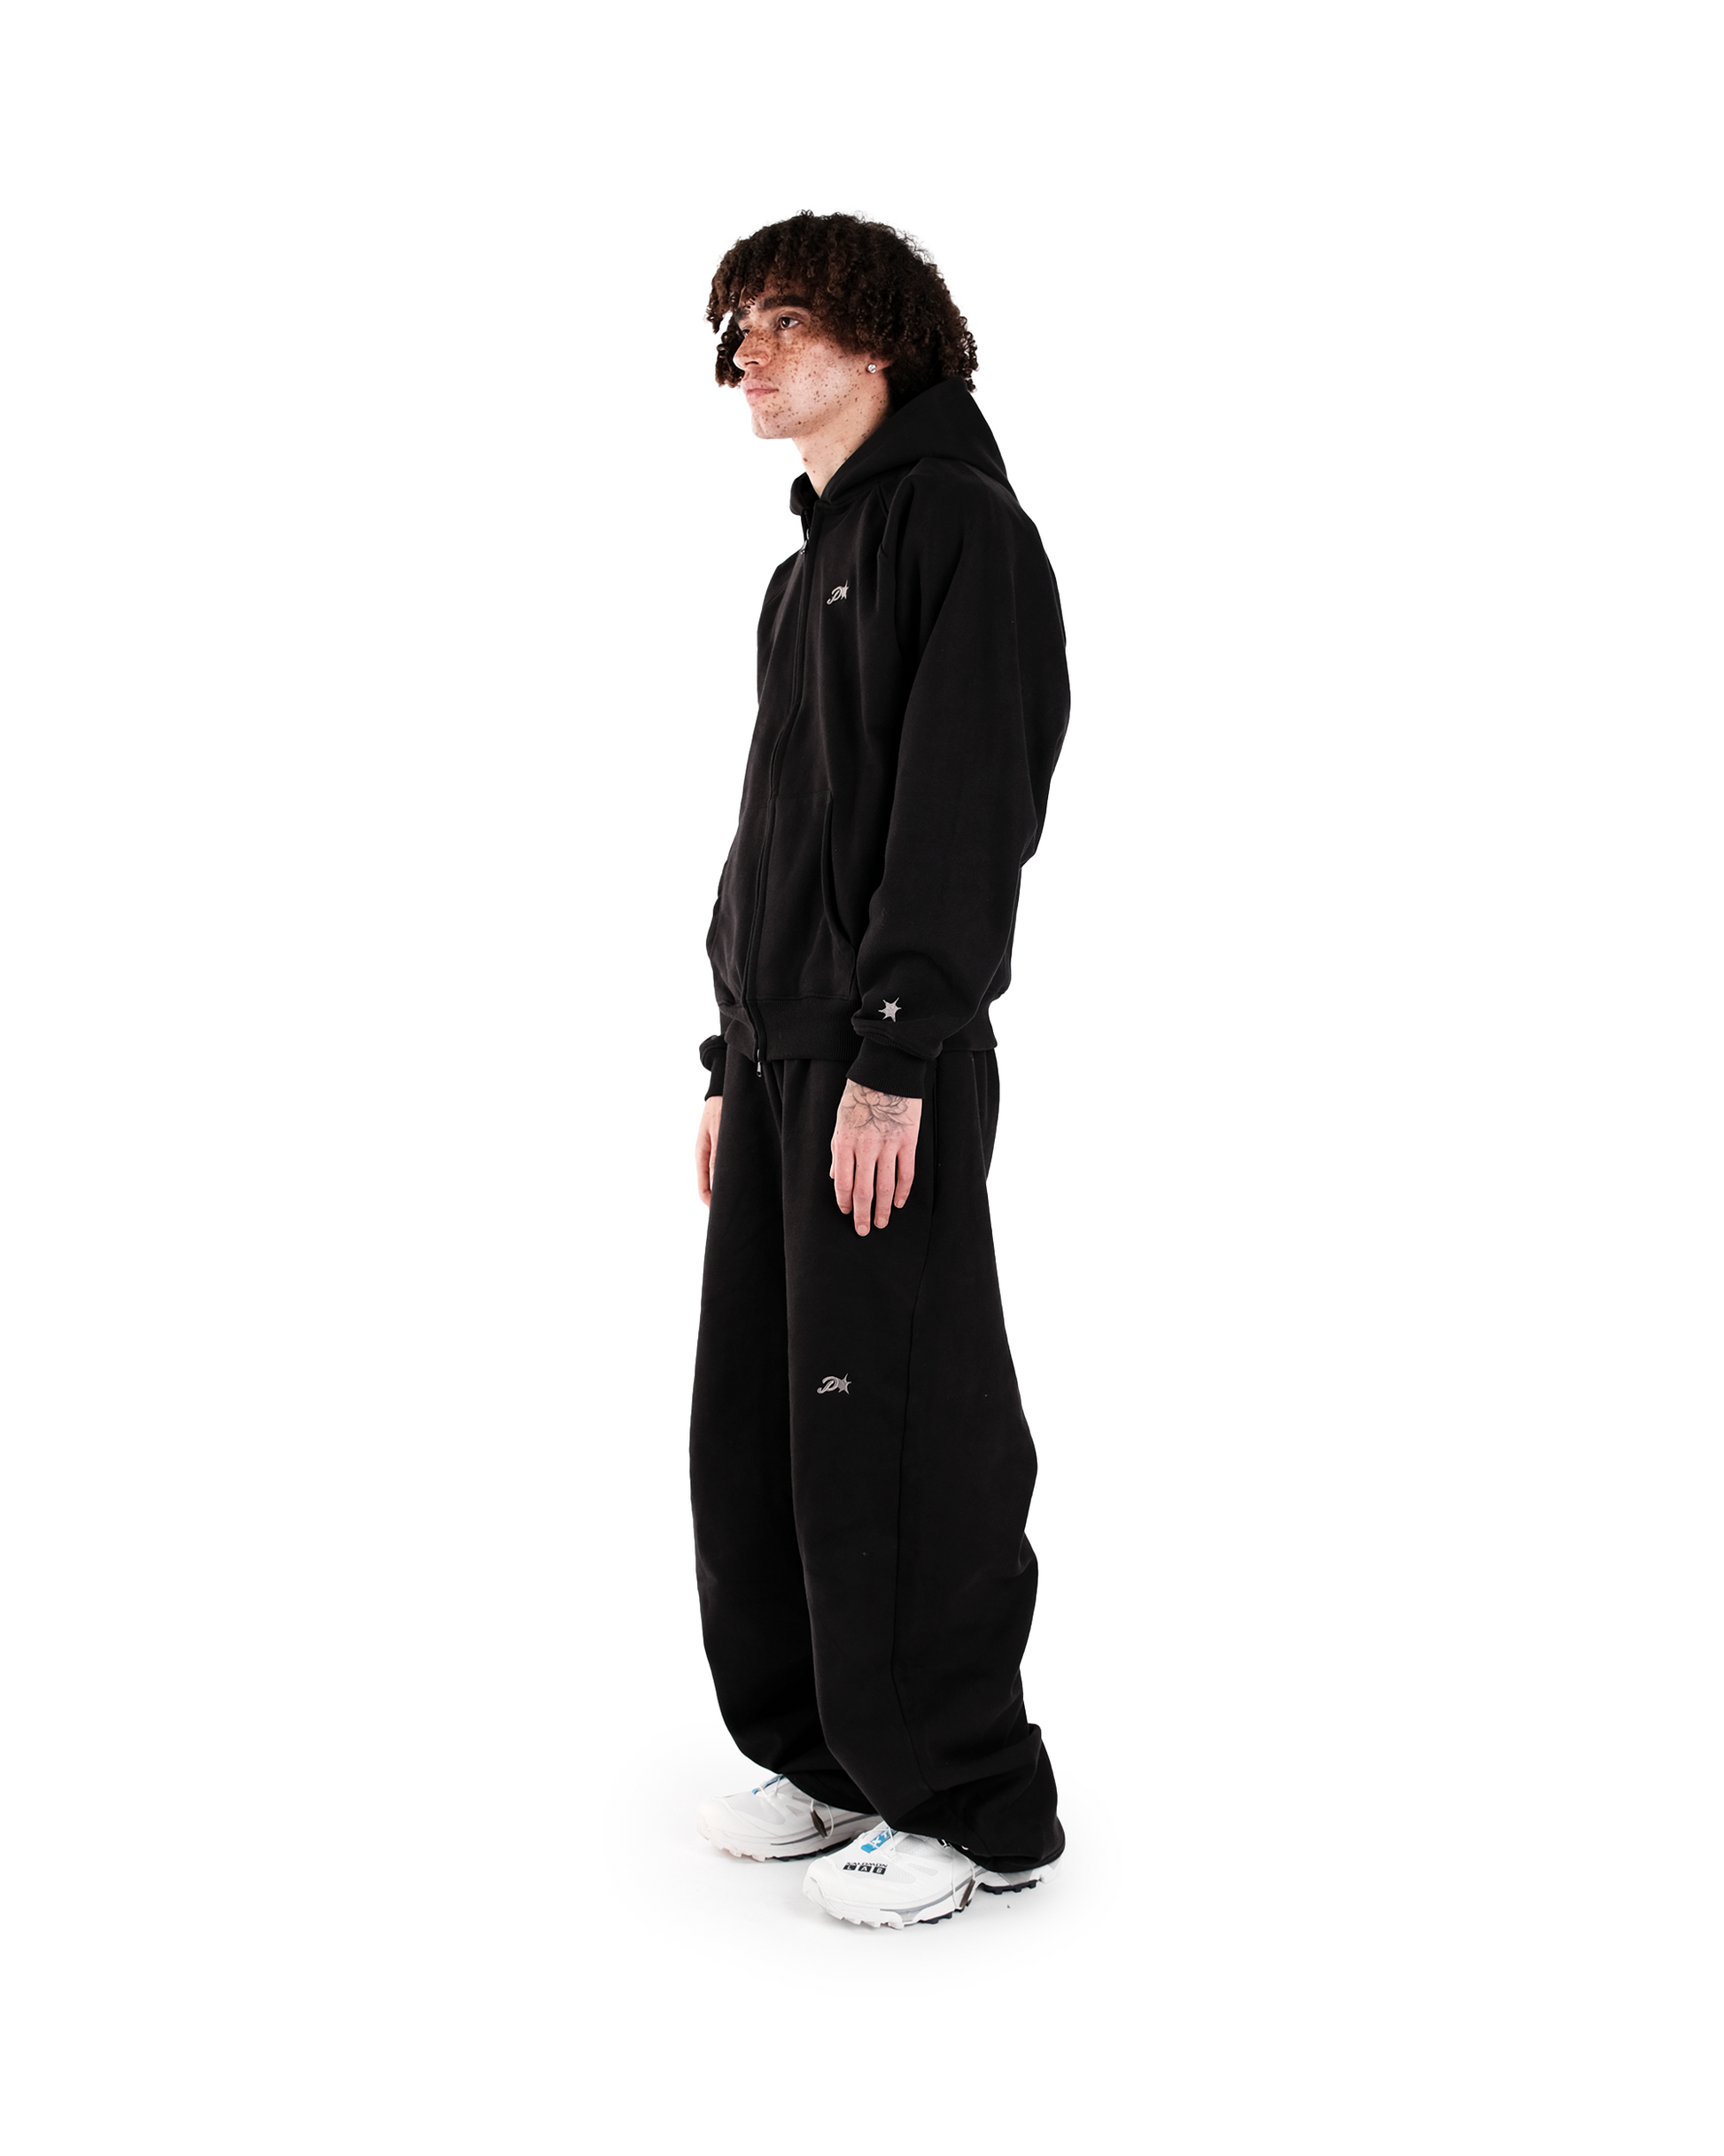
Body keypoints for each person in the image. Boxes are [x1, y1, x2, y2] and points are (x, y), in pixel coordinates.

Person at [688, 212, 1070, 1928]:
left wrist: (898, 1052)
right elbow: (776, 832)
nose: (747, 355)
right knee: (764, 1423)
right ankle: (832, 1753)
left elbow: (967, 805)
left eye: (783, 320)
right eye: (735, 329)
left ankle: (971, 1802)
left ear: (881, 335)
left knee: (901, 1423)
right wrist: (730, 1047)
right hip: (784, 1054)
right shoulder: (806, 569)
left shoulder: (958, 530)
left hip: (880, 1064)